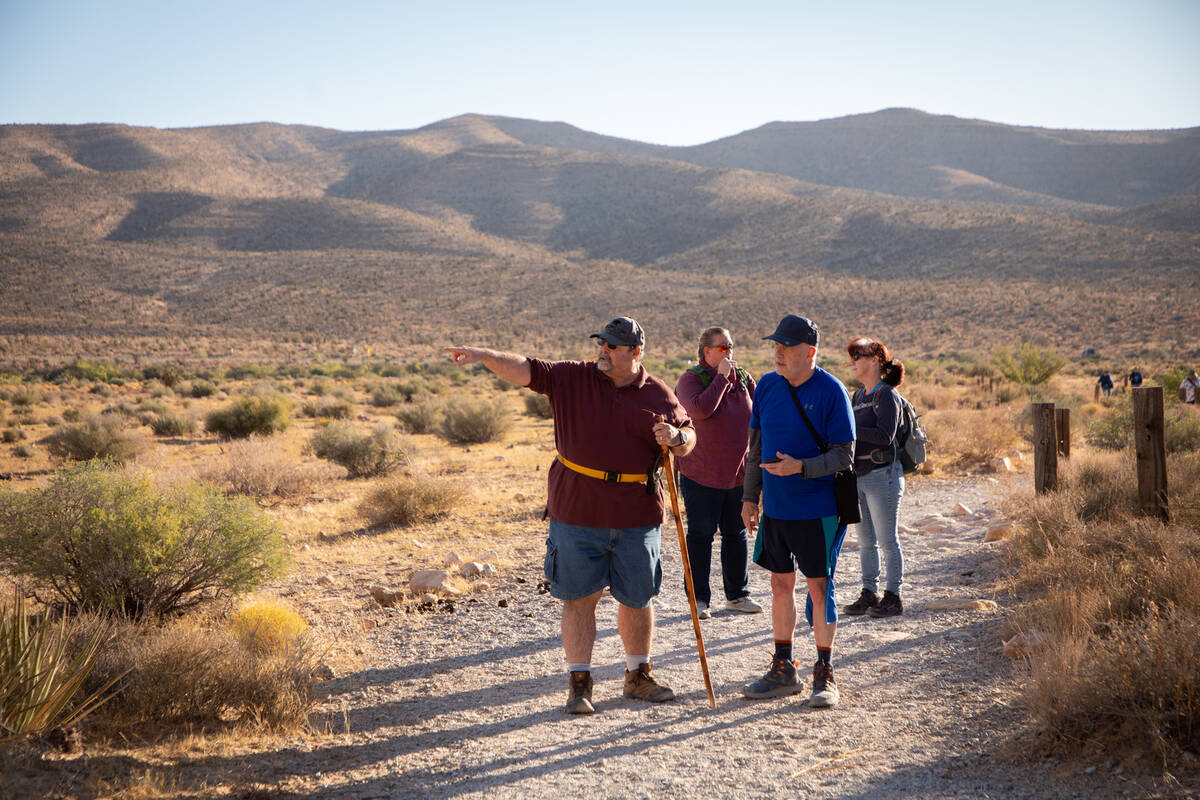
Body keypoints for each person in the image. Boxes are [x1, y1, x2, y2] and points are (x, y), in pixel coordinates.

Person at [446, 317, 696, 716]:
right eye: (601, 343)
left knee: (638, 599)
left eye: (612, 346)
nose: (602, 351)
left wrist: (677, 438)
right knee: (579, 599)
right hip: (577, 510)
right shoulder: (571, 378)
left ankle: (638, 675)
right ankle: (579, 683)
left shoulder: (658, 393)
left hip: (637, 513)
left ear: (635, 352)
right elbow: (526, 368)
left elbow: (688, 436)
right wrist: (482, 356)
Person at [740, 315, 855, 709]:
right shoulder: (768, 386)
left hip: (819, 508)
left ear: (810, 353)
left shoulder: (831, 391)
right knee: (778, 584)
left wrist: (801, 467)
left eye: (786, 348)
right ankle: (784, 667)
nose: (778, 353)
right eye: (776, 346)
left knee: (818, 587)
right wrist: (749, 497)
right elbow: (756, 448)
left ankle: (824, 673)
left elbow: (844, 454)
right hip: (777, 508)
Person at [674, 327, 762, 620]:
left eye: (731, 346)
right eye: (723, 347)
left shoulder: (745, 378)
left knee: (736, 534)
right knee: (701, 534)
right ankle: (698, 600)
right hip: (700, 473)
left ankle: (737, 595)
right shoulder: (690, 379)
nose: (729, 352)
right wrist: (722, 378)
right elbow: (700, 410)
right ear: (706, 351)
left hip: (737, 473)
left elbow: (758, 416)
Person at [841, 337, 907, 619]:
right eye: (852, 355)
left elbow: (884, 436)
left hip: (884, 475)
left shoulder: (886, 395)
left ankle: (893, 596)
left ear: (877, 360)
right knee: (866, 541)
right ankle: (869, 592)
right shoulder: (857, 397)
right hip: (861, 475)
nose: (853, 360)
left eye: (859, 354)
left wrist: (850, 429)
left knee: (887, 539)